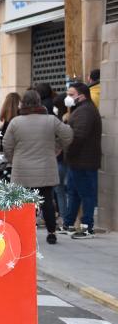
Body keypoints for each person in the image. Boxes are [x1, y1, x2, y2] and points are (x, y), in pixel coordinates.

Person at [2, 90, 73, 244]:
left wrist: (12, 159)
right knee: (47, 201)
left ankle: (22, 232)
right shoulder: (51, 120)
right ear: (39, 102)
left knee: (22, 202)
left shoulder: (16, 122)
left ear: (23, 104)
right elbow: (68, 135)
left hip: (22, 169)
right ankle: (51, 232)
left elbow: (6, 144)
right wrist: (57, 147)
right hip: (46, 167)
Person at [60, 82, 102, 239]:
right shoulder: (80, 110)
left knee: (86, 194)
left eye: (71, 95)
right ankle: (69, 224)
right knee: (74, 193)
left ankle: (87, 227)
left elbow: (79, 136)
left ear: (81, 96)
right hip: (76, 160)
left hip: (83, 161)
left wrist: (67, 150)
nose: (68, 98)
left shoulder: (86, 112)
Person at [52, 92, 69, 221]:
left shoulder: (63, 118)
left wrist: (58, 149)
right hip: (64, 159)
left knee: (59, 189)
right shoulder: (63, 118)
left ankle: (64, 215)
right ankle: (64, 215)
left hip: (61, 159)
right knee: (62, 189)